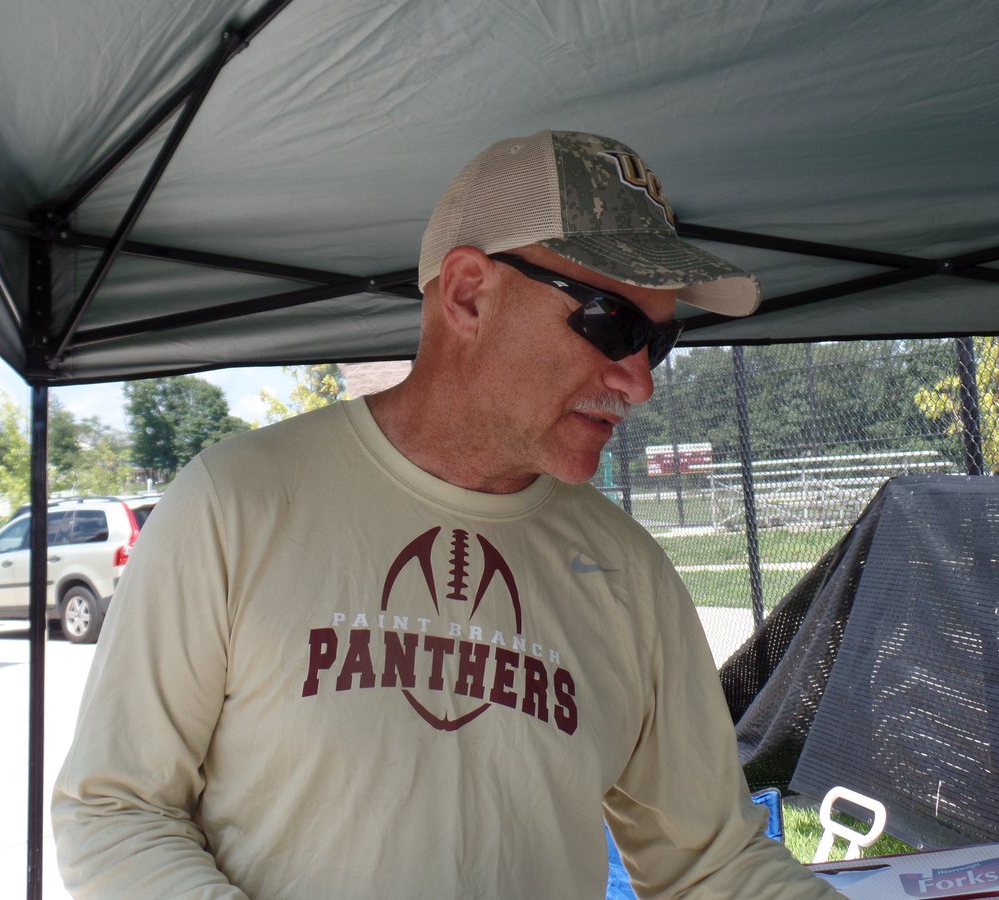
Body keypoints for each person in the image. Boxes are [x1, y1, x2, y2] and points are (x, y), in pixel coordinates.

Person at [53, 130, 838, 898]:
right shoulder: (236, 502)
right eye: (612, 325)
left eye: (658, 341)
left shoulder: (630, 573)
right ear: (468, 294)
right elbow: (115, 811)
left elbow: (712, 864)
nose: (640, 382)